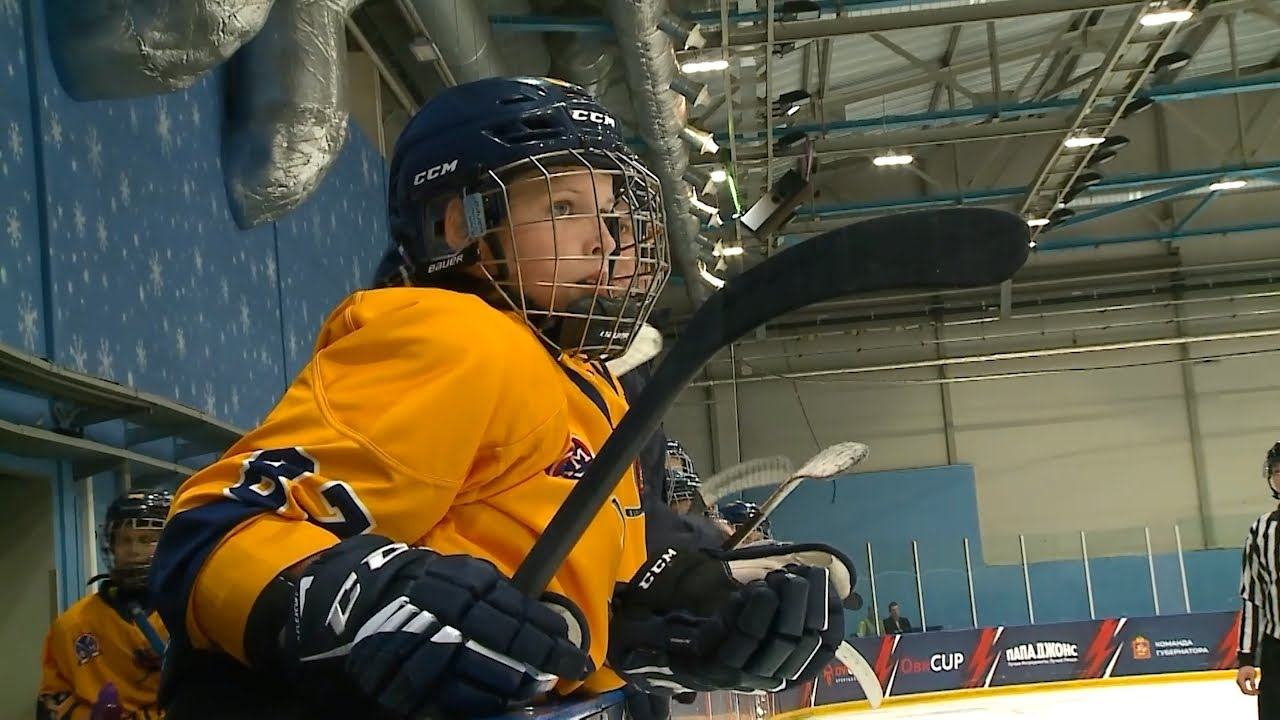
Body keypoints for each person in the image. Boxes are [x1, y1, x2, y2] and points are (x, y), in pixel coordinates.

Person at [149, 76, 854, 720]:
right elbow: (214, 534)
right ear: (461, 225)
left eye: (610, 208)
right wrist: (362, 599)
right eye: (563, 206)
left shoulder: (591, 381)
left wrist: (696, 619)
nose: (605, 239)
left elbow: (576, 601)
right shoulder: (457, 336)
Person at [39, 490, 171, 720]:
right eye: (124, 540)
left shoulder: (192, 615)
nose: (133, 550)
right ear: (111, 546)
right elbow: (50, 703)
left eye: (147, 539)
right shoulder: (73, 625)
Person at [1236, 441, 1280, 718]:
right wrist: (1246, 658)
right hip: (1277, 653)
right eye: (1277, 471)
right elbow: (1253, 597)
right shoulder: (1261, 530)